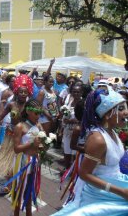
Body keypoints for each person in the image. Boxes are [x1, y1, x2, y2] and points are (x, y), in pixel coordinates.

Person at [52, 87, 128, 215]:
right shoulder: (98, 139)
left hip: (117, 185)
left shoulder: (112, 132)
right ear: (106, 113)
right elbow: (84, 174)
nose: (126, 112)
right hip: (101, 195)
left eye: (125, 107)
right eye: (120, 109)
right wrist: (120, 191)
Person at [11, 99, 43, 216]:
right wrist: (31, 144)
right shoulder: (20, 126)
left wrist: (43, 145)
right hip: (23, 162)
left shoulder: (38, 125)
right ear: (29, 111)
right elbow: (16, 148)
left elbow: (40, 144)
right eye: (36, 113)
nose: (38, 116)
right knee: (19, 192)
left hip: (34, 162)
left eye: (40, 113)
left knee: (30, 191)